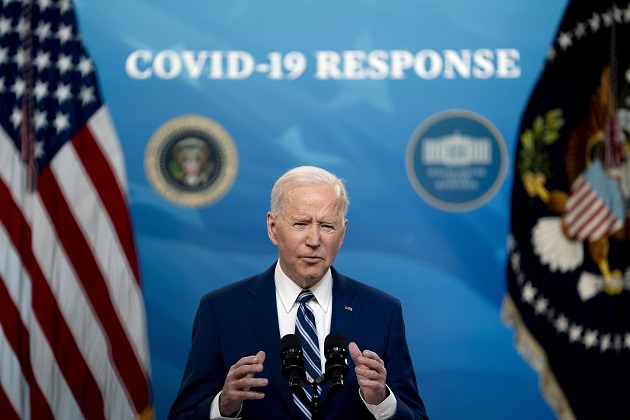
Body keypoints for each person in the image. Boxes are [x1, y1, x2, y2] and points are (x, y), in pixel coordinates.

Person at [168, 166, 428, 419]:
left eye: (327, 226)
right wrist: (223, 406)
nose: (314, 240)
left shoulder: (382, 311)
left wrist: (382, 401)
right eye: (301, 223)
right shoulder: (221, 310)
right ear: (273, 228)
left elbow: (416, 416)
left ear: (343, 233)